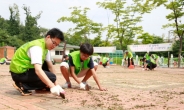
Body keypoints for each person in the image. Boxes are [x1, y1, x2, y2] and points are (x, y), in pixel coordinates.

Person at [9, 28, 65, 98]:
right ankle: (22, 85)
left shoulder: (46, 48)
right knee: (51, 77)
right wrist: (52, 86)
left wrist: (56, 85)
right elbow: (38, 70)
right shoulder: (37, 47)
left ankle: (40, 85)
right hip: (19, 73)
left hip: (26, 70)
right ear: (48, 37)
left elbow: (50, 67)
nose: (54, 46)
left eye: (56, 45)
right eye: (53, 43)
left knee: (51, 74)